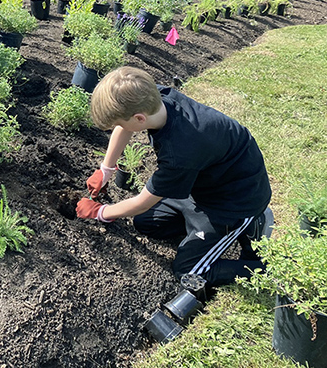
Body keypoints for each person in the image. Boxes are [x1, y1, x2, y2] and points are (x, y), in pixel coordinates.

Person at [76, 66, 274, 287]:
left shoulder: (180, 153)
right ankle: (200, 229)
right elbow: (126, 127)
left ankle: (265, 262)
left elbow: (141, 202)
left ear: (139, 118)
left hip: (233, 202)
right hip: (204, 183)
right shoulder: (154, 98)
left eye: (120, 123)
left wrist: (100, 212)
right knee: (146, 224)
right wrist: (106, 168)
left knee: (189, 271)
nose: (119, 127)